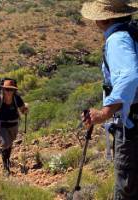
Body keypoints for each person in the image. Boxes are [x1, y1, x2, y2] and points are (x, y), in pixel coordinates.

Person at [81, 0, 138, 199]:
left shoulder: (117, 39)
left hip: (131, 126)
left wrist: (105, 112)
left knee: (126, 188)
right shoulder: (132, 33)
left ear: (105, 18)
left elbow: (130, 75)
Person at [0, 79, 28, 175]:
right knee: (5, 143)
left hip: (14, 124)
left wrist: (25, 109)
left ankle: (7, 160)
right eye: (7, 89)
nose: (9, 92)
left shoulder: (17, 98)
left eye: (11, 90)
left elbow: (22, 109)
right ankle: (6, 167)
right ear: (3, 90)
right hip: (1, 124)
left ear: (14, 91)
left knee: (9, 143)